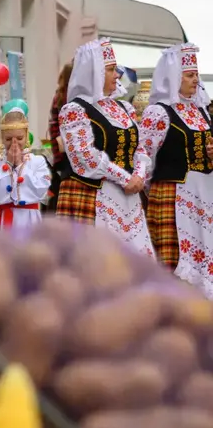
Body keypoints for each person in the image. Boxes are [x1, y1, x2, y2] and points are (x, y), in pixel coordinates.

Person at [57, 38, 155, 257]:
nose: (117, 75)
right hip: (93, 194)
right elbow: (85, 157)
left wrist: (138, 175)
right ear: (94, 72)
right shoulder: (74, 110)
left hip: (128, 197)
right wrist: (125, 178)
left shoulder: (124, 107)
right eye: (110, 69)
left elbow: (139, 148)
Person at [139, 43, 213, 296]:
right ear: (174, 77)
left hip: (204, 198)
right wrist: (156, 191)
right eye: (190, 75)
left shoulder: (201, 111)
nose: (196, 80)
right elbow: (144, 157)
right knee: (174, 263)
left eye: (196, 75)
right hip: (173, 196)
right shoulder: (158, 113)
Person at [0, 99, 51, 229]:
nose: (14, 143)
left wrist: (19, 164)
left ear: (26, 136)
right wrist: (8, 165)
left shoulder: (38, 161)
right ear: (2, 138)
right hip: (5, 220)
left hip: (30, 220)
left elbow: (41, 191)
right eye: (8, 139)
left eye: (19, 138)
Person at [46, 62, 73, 213]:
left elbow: (53, 125)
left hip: (60, 153)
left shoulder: (59, 94)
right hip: (67, 153)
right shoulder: (67, 96)